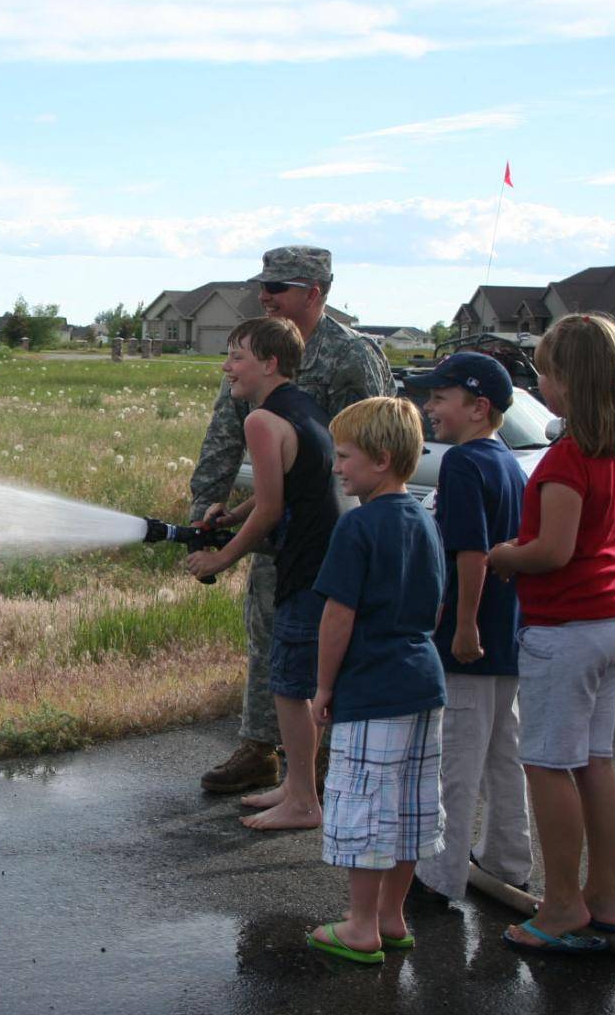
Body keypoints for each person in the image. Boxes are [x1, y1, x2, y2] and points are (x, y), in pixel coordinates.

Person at [192, 245, 393, 799]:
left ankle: (326, 757)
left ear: (314, 292)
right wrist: (205, 513)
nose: (266, 296)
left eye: (278, 288)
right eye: (263, 286)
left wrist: (375, 529)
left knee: (327, 643)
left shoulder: (350, 354)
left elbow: (383, 442)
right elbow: (223, 434)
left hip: (335, 529)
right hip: (276, 523)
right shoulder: (258, 349)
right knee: (268, 636)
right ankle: (261, 749)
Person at [488, 313, 615, 955]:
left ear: (568, 381)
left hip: (569, 628)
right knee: (594, 761)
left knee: (547, 765)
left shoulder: (566, 460)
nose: (541, 384)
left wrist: (504, 555)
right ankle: (601, 899)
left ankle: (559, 907)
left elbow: (551, 551)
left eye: (547, 373)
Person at [186, 317, 341, 832]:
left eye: (237, 357)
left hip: (304, 567)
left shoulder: (258, 420)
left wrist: (220, 557)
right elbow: (289, 485)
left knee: (289, 689)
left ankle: (304, 804)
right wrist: (234, 512)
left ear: (270, 364)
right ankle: (297, 787)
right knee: (293, 684)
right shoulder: (301, 405)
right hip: (330, 563)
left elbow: (273, 510)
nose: (227, 367)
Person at [306, 396, 446, 964]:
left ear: (382, 460)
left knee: (363, 802)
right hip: (423, 682)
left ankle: (360, 925)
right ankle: (392, 916)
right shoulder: (424, 519)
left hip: (372, 688)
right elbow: (435, 608)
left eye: (345, 456)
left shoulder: (357, 526)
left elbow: (338, 616)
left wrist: (323, 687)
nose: (337, 467)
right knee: (411, 804)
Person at [404, 353, 533, 900]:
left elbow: (473, 553)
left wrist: (463, 627)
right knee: (504, 751)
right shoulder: (508, 462)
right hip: (508, 635)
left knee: (457, 756)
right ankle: (508, 857)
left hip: (471, 640)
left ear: (478, 407)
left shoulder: (462, 464)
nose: (429, 408)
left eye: (440, 397)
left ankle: (440, 874)